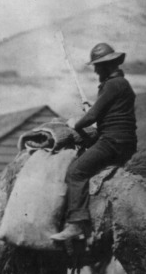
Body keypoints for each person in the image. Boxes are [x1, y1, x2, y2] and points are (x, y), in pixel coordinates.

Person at [51, 42, 138, 241]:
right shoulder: (122, 85)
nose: (96, 70)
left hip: (111, 143)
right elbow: (109, 111)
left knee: (75, 171)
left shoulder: (111, 85)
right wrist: (95, 107)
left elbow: (91, 118)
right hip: (127, 144)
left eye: (98, 66)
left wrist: (75, 124)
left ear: (107, 65)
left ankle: (76, 223)